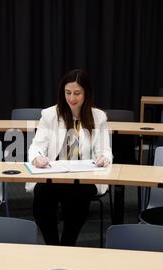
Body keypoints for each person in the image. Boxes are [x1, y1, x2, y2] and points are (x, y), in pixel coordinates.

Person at [27, 69, 112, 246]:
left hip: (83, 177)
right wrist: (37, 158)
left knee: (78, 196)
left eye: (77, 93)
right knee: (41, 195)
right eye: (68, 93)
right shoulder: (49, 115)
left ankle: (67, 243)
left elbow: (105, 150)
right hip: (54, 174)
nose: (72, 98)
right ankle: (52, 245)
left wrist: (103, 158)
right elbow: (36, 145)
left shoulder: (98, 117)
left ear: (86, 93)